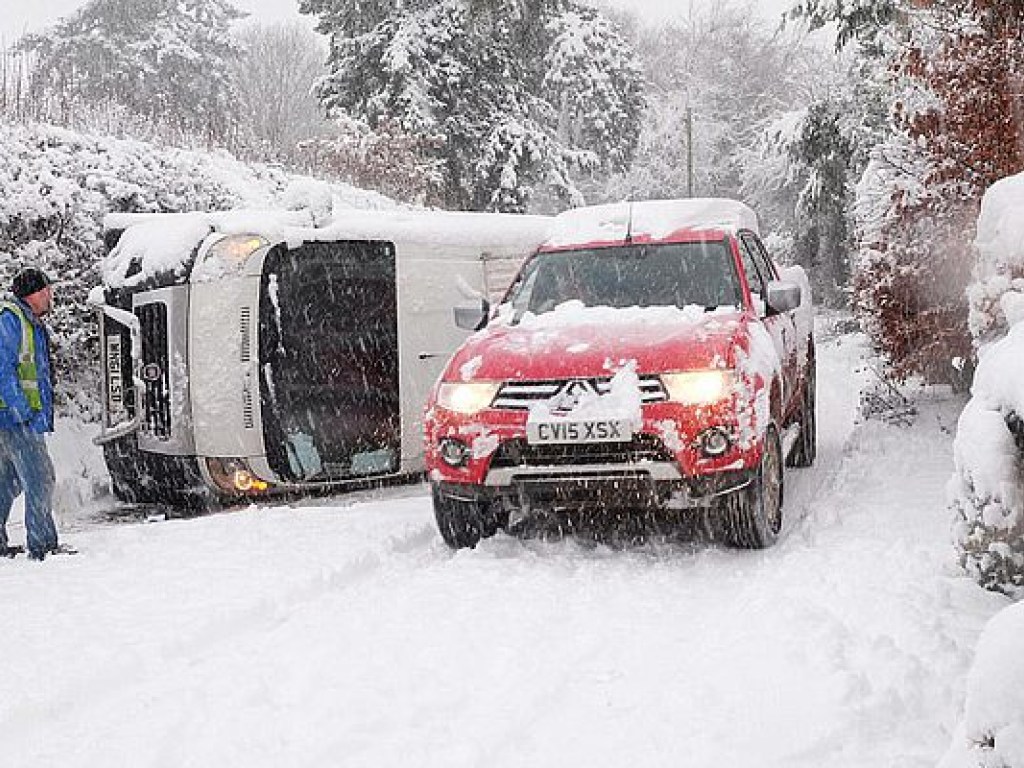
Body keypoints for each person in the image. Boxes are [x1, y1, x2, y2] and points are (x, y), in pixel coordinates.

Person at [0, 267, 59, 560]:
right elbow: (2, 369)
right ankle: (43, 546)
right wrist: (22, 410)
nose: (50, 295)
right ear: (32, 294)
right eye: (45, 290)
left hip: (12, 419)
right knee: (40, 479)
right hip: (18, 419)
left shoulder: (27, 322)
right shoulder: (13, 321)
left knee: (6, 483)